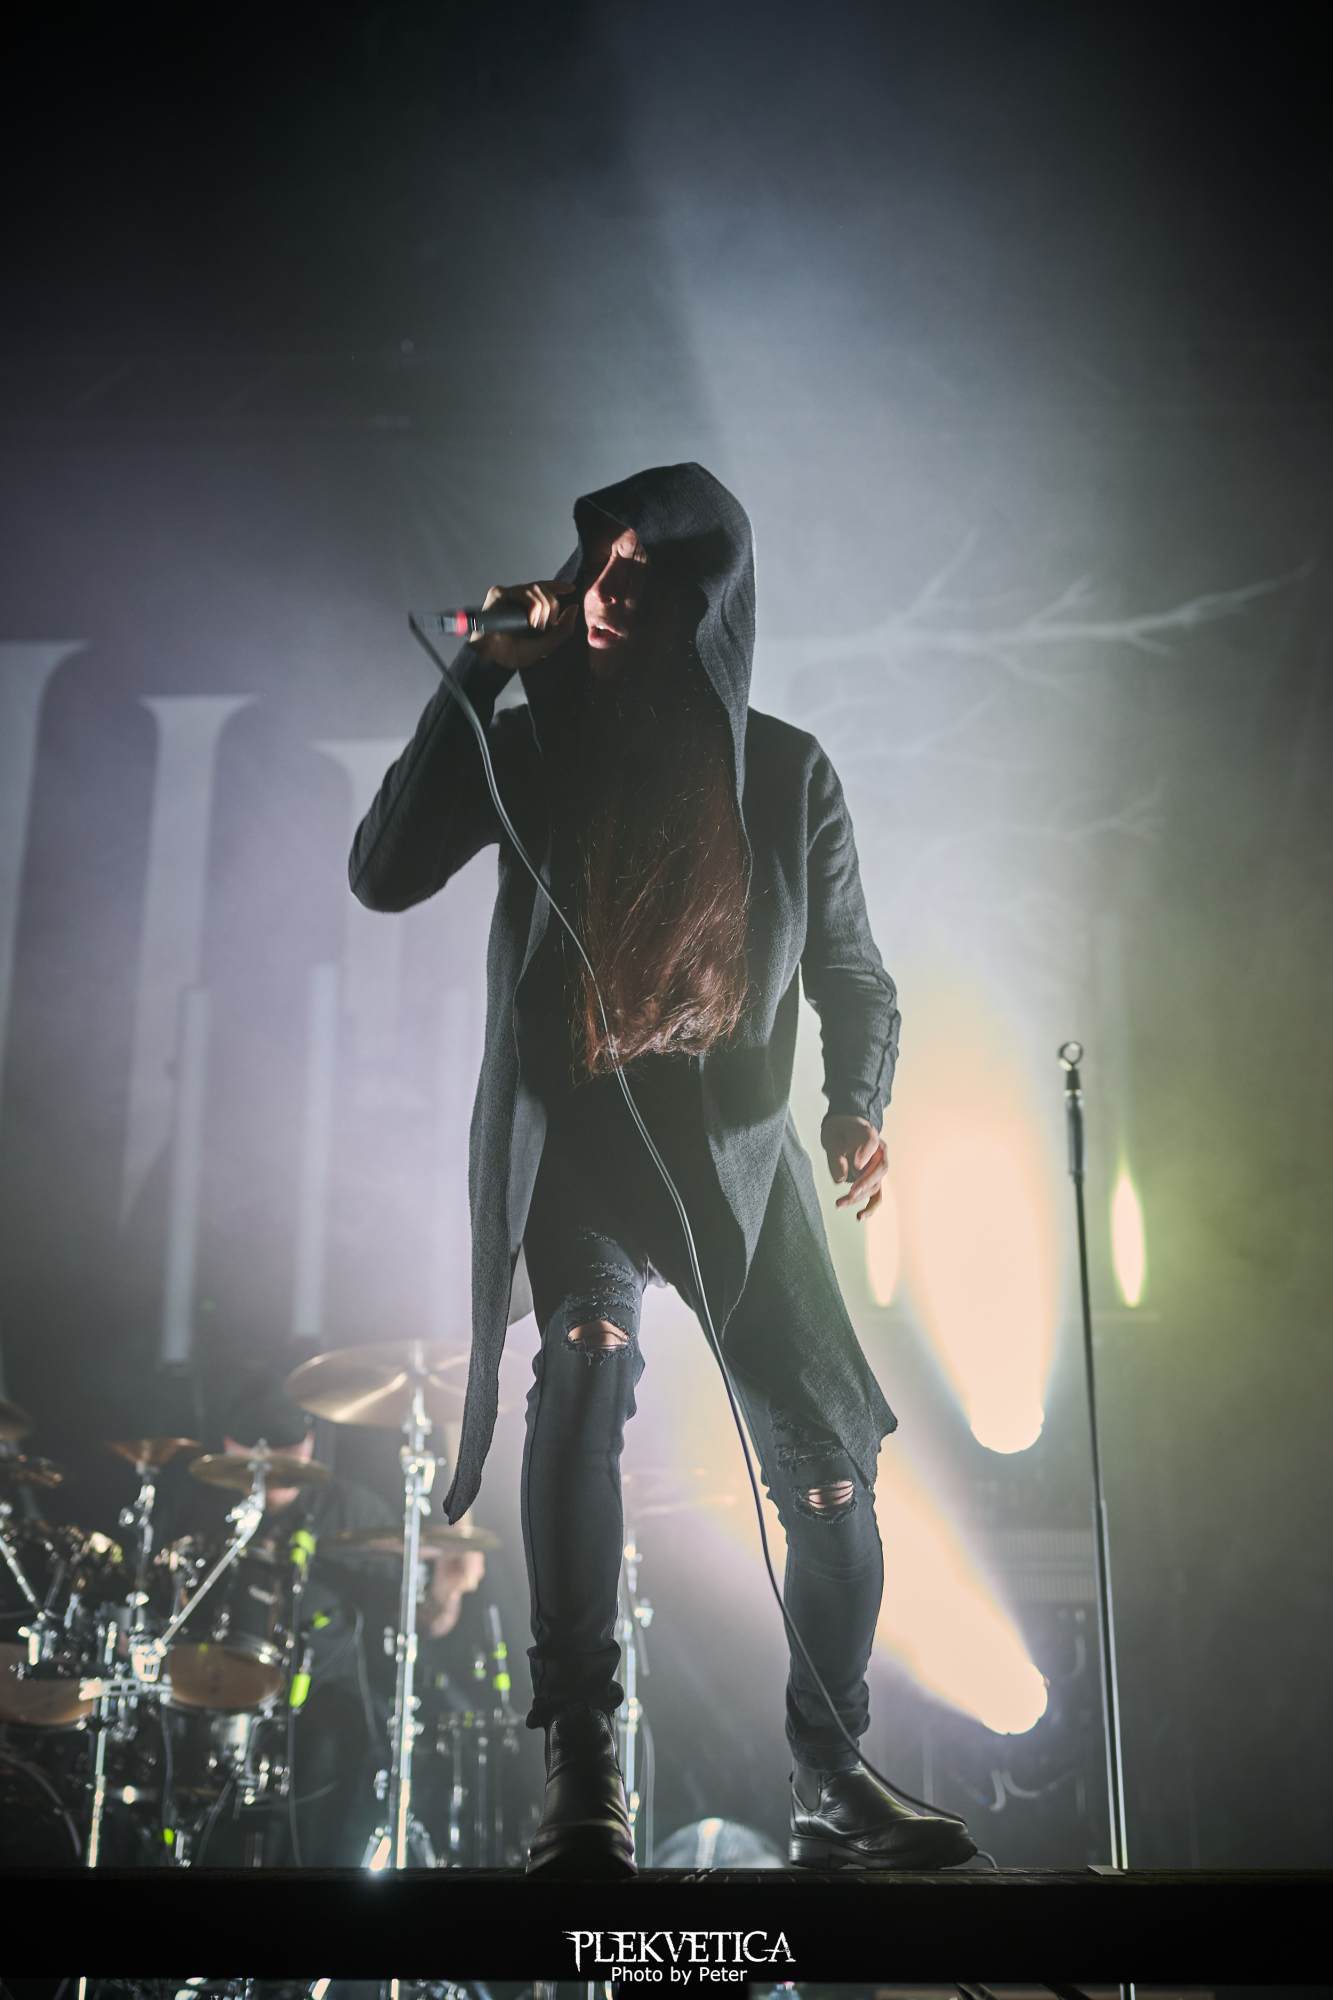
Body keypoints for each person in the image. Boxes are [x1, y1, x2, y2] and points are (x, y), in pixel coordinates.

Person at [349, 462, 976, 1876]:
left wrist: (857, 1106)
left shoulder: (788, 772)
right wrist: (478, 672)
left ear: (707, 601)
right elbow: (382, 872)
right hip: (577, 1132)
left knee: (830, 1482)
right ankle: (583, 1767)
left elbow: (855, 975)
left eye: (645, 569)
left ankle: (830, 1772)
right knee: (582, 1360)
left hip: (734, 1151)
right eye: (600, 561)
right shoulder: (532, 746)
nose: (608, 588)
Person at [165, 1367, 459, 1866]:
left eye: (284, 1450)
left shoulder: (351, 1510)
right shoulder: (201, 1506)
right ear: (230, 1446)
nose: (270, 1465)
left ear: (308, 1445)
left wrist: (448, 1589)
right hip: (210, 1694)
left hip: (322, 1699)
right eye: (254, 1452)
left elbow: (425, 1616)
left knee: (334, 1740)